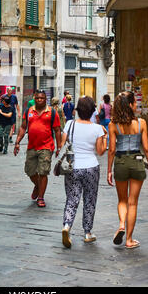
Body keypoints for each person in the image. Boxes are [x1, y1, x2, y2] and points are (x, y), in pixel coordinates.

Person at [57, 96, 107, 249]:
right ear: (92, 111)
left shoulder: (70, 125)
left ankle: (67, 226)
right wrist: (104, 137)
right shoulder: (97, 128)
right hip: (91, 167)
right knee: (90, 200)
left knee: (72, 199)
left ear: (77, 111)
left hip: (73, 166)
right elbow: (100, 151)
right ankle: (87, 233)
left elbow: (62, 145)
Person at [108, 91, 148, 249]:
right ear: (129, 105)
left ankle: (121, 224)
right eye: (135, 102)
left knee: (122, 200)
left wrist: (109, 170)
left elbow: (112, 150)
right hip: (137, 162)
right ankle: (129, 240)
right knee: (132, 203)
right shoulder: (141, 123)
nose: (136, 105)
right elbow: (147, 148)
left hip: (121, 162)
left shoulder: (113, 124)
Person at [14, 89, 62, 208]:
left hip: (46, 146)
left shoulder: (52, 112)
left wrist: (59, 146)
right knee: (29, 171)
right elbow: (23, 127)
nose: (40, 100)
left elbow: (57, 130)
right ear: (34, 99)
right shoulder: (29, 111)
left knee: (43, 172)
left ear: (46, 99)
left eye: (42, 98)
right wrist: (17, 142)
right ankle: (38, 185)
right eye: (37, 98)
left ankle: (41, 197)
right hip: (32, 146)